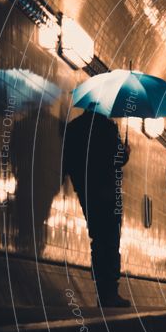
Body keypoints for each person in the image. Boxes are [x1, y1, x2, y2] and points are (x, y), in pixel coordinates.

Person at [63, 108, 131, 307]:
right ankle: (109, 291)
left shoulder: (73, 128)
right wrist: (126, 152)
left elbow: (68, 160)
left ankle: (101, 290)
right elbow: (117, 160)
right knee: (110, 239)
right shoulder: (108, 127)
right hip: (108, 192)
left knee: (98, 239)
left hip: (87, 192)